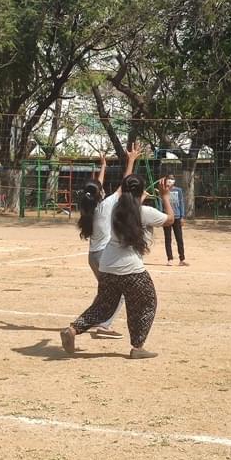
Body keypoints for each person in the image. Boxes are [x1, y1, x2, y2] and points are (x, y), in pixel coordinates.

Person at [61, 173, 174, 359]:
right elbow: (170, 219)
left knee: (103, 306)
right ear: (139, 192)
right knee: (147, 303)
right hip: (131, 269)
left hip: (107, 265)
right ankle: (138, 347)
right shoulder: (144, 212)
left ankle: (73, 329)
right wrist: (165, 196)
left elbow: (129, 202)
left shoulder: (113, 209)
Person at [75, 145, 141, 338]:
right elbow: (124, 185)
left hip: (92, 256)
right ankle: (104, 325)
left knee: (105, 293)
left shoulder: (88, 209)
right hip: (104, 257)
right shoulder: (105, 207)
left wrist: (103, 166)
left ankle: (92, 321)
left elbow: (96, 187)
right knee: (118, 294)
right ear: (100, 195)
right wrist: (131, 161)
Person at [163, 176, 188, 266]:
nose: (169, 182)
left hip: (177, 217)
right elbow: (160, 203)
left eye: (171, 180)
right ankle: (170, 259)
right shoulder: (163, 190)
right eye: (168, 180)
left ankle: (182, 259)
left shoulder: (178, 190)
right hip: (167, 217)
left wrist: (182, 216)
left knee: (179, 238)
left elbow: (181, 203)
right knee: (168, 239)